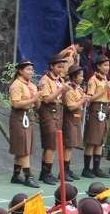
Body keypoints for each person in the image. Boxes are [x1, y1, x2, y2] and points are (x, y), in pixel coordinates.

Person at [37, 51, 70, 184]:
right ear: (52, 66)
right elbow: (47, 99)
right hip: (48, 111)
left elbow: (60, 98)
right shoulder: (45, 80)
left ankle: (45, 172)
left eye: (62, 67)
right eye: (59, 67)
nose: (61, 69)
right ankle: (46, 173)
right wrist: (61, 90)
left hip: (58, 111)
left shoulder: (60, 80)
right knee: (49, 143)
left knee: (54, 143)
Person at [8, 60, 40, 188]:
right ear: (20, 71)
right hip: (19, 116)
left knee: (24, 146)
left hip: (29, 115)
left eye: (32, 70)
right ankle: (28, 176)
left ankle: (16, 175)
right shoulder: (16, 85)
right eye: (28, 69)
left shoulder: (32, 85)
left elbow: (36, 104)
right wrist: (33, 99)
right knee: (23, 148)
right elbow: (16, 103)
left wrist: (38, 100)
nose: (31, 72)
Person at [83, 54, 110, 179]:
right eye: (105, 65)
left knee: (100, 140)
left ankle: (96, 167)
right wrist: (103, 91)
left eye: (108, 65)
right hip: (96, 109)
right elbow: (89, 98)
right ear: (99, 66)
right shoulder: (93, 80)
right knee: (92, 140)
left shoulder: (105, 79)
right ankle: (86, 168)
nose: (107, 67)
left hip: (105, 108)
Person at [61, 65, 87, 182]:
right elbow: (71, 106)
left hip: (77, 118)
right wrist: (83, 99)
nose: (82, 78)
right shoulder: (69, 89)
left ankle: (68, 168)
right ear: (74, 77)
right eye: (80, 76)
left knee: (72, 145)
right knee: (68, 145)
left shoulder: (78, 88)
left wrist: (85, 98)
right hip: (69, 118)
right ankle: (64, 170)